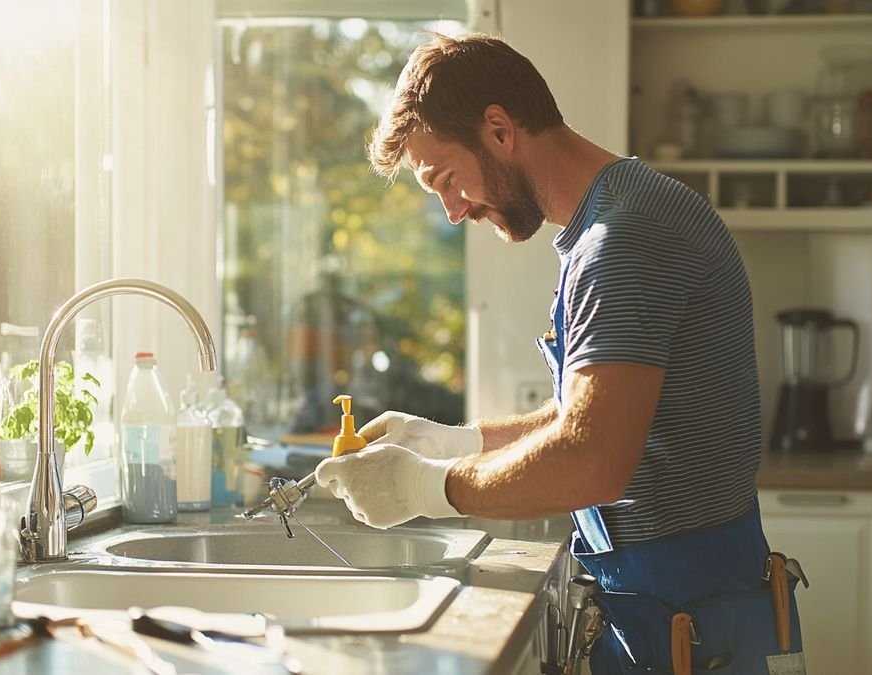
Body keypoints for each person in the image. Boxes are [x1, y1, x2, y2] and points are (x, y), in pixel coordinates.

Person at [314, 33, 806, 674]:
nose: (453, 210)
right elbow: (593, 412)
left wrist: (421, 486)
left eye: (446, 179)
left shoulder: (623, 240)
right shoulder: (622, 214)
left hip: (688, 617)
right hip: (673, 601)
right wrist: (449, 443)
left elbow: (592, 458)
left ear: (498, 128)